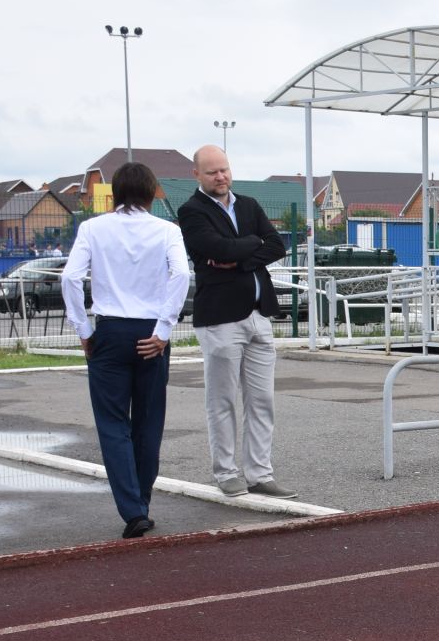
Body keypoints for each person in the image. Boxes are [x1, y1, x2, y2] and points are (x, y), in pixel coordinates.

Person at [62, 161, 190, 539]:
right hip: (151, 333)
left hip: (111, 331)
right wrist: (164, 329)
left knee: (113, 424)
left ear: (114, 194)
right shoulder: (168, 230)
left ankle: (133, 509)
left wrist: (83, 329)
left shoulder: (92, 228)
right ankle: (143, 501)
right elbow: (181, 274)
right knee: (148, 422)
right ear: (152, 193)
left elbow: (70, 277)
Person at [177, 144, 294, 499]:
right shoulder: (191, 211)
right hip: (221, 319)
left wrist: (243, 257)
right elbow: (218, 249)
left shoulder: (249, 205)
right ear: (197, 175)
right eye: (212, 172)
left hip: (259, 315)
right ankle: (226, 472)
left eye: (224, 169)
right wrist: (249, 246)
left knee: (262, 400)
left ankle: (260, 473)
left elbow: (276, 245)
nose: (221, 177)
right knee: (222, 400)